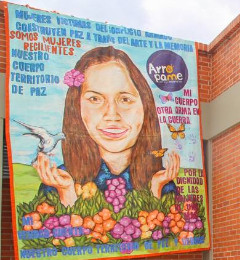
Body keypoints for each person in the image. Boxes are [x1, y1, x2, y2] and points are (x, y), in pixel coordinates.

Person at [34, 46, 179, 207]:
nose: (112, 115)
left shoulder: (161, 181)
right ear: (77, 107)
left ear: (145, 107)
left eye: (125, 99)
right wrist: (67, 193)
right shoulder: (59, 181)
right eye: (95, 99)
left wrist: (155, 189)